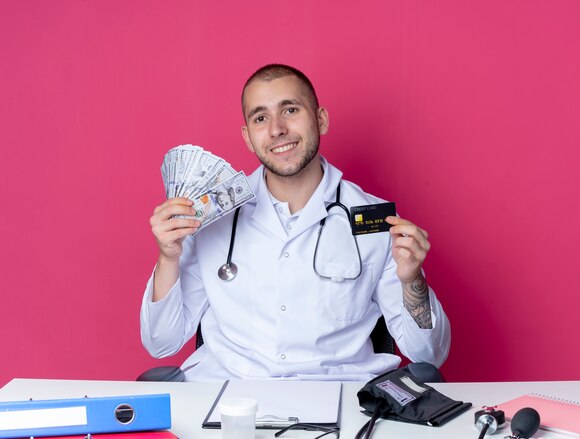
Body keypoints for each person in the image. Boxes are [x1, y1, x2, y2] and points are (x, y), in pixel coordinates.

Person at [141, 64, 451, 381]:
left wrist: (411, 279)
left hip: (339, 396)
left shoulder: (373, 220)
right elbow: (161, 344)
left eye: (290, 109)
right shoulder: (211, 216)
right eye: (260, 118)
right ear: (248, 137)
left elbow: (428, 355)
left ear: (321, 119)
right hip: (228, 397)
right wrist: (169, 257)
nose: (277, 129)